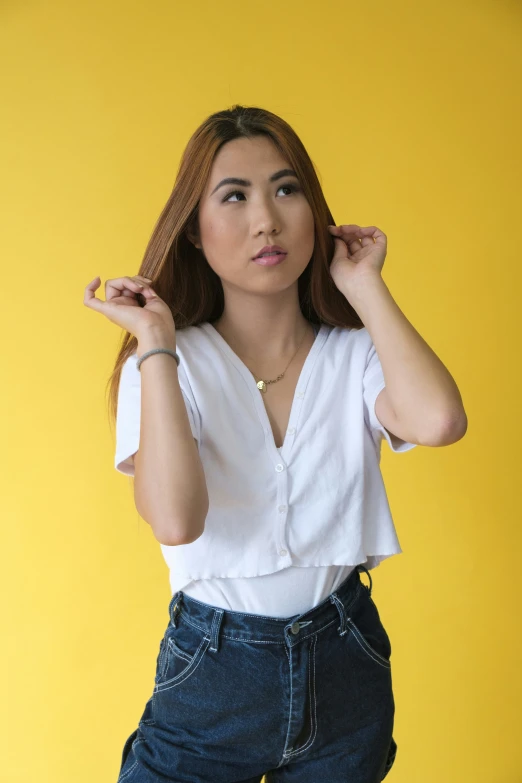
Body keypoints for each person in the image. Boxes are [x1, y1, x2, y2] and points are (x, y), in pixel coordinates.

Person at [84, 105, 467, 783]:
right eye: (235, 196)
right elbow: (176, 519)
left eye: (287, 190)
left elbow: (438, 421)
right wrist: (155, 345)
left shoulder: (355, 355)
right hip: (214, 672)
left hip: (345, 660)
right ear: (194, 232)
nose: (267, 218)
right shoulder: (169, 361)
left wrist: (365, 285)